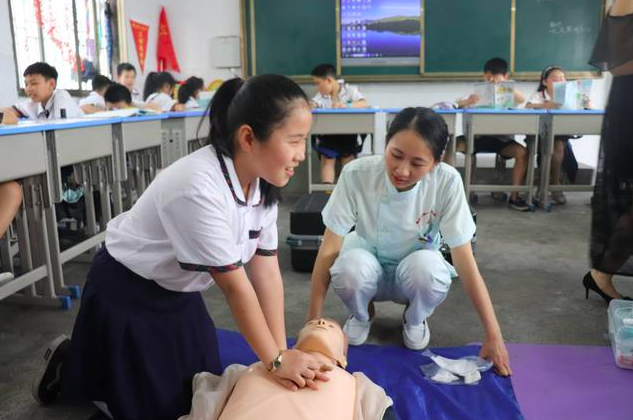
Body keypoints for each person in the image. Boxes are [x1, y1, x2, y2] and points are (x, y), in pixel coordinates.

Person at [31, 75, 330, 420]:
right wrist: (276, 362)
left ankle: (91, 359)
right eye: (294, 141)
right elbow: (236, 288)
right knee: (158, 408)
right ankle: (69, 362)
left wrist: (281, 352)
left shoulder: (262, 186)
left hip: (178, 292)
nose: (301, 155)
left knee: (200, 388)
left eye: (304, 141)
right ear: (248, 137)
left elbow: (266, 274)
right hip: (128, 290)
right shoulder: (197, 186)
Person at [307, 107, 511, 376]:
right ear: (385, 144)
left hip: (414, 267)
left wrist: (493, 334)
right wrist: (313, 323)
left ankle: (414, 318)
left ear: (436, 162)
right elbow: (329, 249)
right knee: (349, 268)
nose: (402, 170)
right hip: (368, 258)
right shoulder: (356, 174)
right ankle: (361, 312)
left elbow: (465, 261)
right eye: (396, 155)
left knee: (430, 272)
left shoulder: (447, 182)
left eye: (417, 164)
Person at [180, 318, 395, 420]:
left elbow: (383, 412)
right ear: (293, 345)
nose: (321, 323)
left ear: (343, 358)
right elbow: (206, 404)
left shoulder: (356, 383)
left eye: (331, 327)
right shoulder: (244, 370)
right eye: (313, 323)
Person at [584, 0, 633, 303]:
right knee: (628, 199)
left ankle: (601, 274)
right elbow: (617, 64)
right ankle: (601, 274)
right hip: (629, 112)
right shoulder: (625, 2)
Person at [448, 58, 530, 211]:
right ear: (483, 76)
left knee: (522, 153)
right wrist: (467, 101)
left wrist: (505, 85)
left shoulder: (510, 95)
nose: (491, 81)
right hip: (475, 138)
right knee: (450, 146)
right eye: (488, 77)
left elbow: (522, 99)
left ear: (506, 77)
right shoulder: (476, 94)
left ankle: (515, 196)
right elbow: (456, 103)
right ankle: (450, 194)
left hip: (502, 141)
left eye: (496, 77)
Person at [526, 66, 591, 205]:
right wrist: (546, 105)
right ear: (544, 82)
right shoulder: (539, 96)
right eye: (554, 79)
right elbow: (528, 106)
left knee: (559, 145)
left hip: (560, 135)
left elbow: (587, 108)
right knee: (550, 146)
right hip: (540, 135)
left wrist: (588, 104)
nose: (559, 81)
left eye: (562, 78)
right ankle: (547, 186)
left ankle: (553, 185)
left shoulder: (573, 95)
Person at [310, 64, 368, 184]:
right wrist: (311, 105)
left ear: (329, 80)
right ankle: (327, 192)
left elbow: (364, 103)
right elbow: (313, 103)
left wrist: (347, 106)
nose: (317, 88)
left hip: (348, 134)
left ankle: (348, 191)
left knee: (348, 160)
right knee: (327, 159)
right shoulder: (321, 95)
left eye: (318, 83)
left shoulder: (350, 90)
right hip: (328, 135)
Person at [1, 62, 84, 121]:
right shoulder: (34, 104)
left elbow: (60, 131)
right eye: (26, 84)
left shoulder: (61, 97)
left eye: (34, 83)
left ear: (51, 84)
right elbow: (11, 111)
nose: (28, 89)